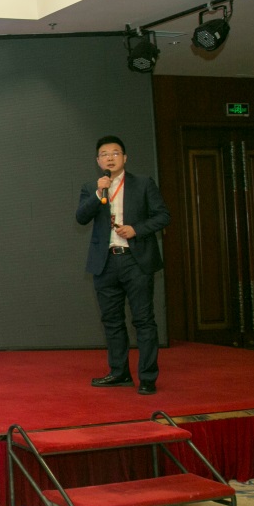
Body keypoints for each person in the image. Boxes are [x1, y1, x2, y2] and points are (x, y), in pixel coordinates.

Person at [75, 136, 170, 395]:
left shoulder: (143, 183)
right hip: (105, 262)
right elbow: (81, 217)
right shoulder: (92, 187)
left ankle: (147, 377)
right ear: (98, 161)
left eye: (115, 153)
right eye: (104, 154)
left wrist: (136, 229)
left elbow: (163, 215)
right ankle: (119, 373)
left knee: (143, 320)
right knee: (112, 321)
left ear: (125, 158)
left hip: (135, 260)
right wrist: (98, 194)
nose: (110, 158)